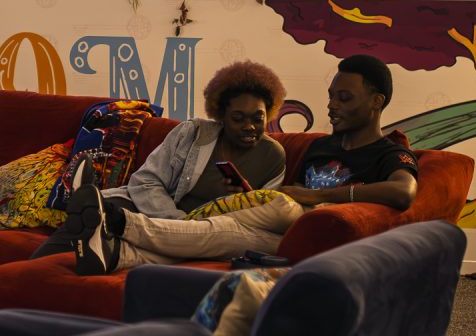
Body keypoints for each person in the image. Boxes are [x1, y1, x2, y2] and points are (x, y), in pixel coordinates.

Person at [74, 54, 419, 274]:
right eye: (331, 96)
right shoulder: (320, 146)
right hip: (280, 226)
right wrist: (250, 195)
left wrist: (312, 198)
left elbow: (403, 191)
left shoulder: (386, 152)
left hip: (307, 224)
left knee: (250, 221)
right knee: (227, 233)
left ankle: (118, 223)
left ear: (377, 102)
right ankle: (118, 254)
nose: (331, 106)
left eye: (344, 98)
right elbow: (271, 198)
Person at [32, 60, 287, 259]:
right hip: (154, 209)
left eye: (258, 118)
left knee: (108, 226)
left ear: (269, 113)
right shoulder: (194, 133)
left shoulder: (272, 156)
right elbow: (145, 181)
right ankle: (29, 276)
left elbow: (265, 220)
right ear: (221, 114)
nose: (250, 127)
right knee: (87, 218)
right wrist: (174, 220)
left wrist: (247, 197)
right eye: (238, 118)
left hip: (207, 232)